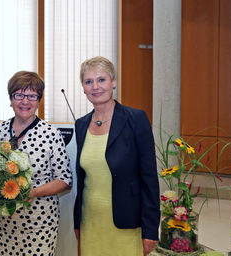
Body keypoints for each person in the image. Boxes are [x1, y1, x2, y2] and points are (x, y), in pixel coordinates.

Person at [73, 56, 160, 256]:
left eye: (101, 79)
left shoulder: (136, 119)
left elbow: (149, 179)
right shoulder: (81, 125)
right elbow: (82, 179)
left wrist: (151, 230)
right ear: (83, 88)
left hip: (127, 225)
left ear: (113, 82)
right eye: (88, 82)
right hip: (90, 223)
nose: (95, 86)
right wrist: (78, 221)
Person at [0, 71, 72, 256]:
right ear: (10, 99)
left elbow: (65, 179)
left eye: (32, 96)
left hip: (39, 221)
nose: (25, 101)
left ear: (38, 100)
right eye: (19, 95)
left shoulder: (50, 133)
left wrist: (33, 192)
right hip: (5, 222)